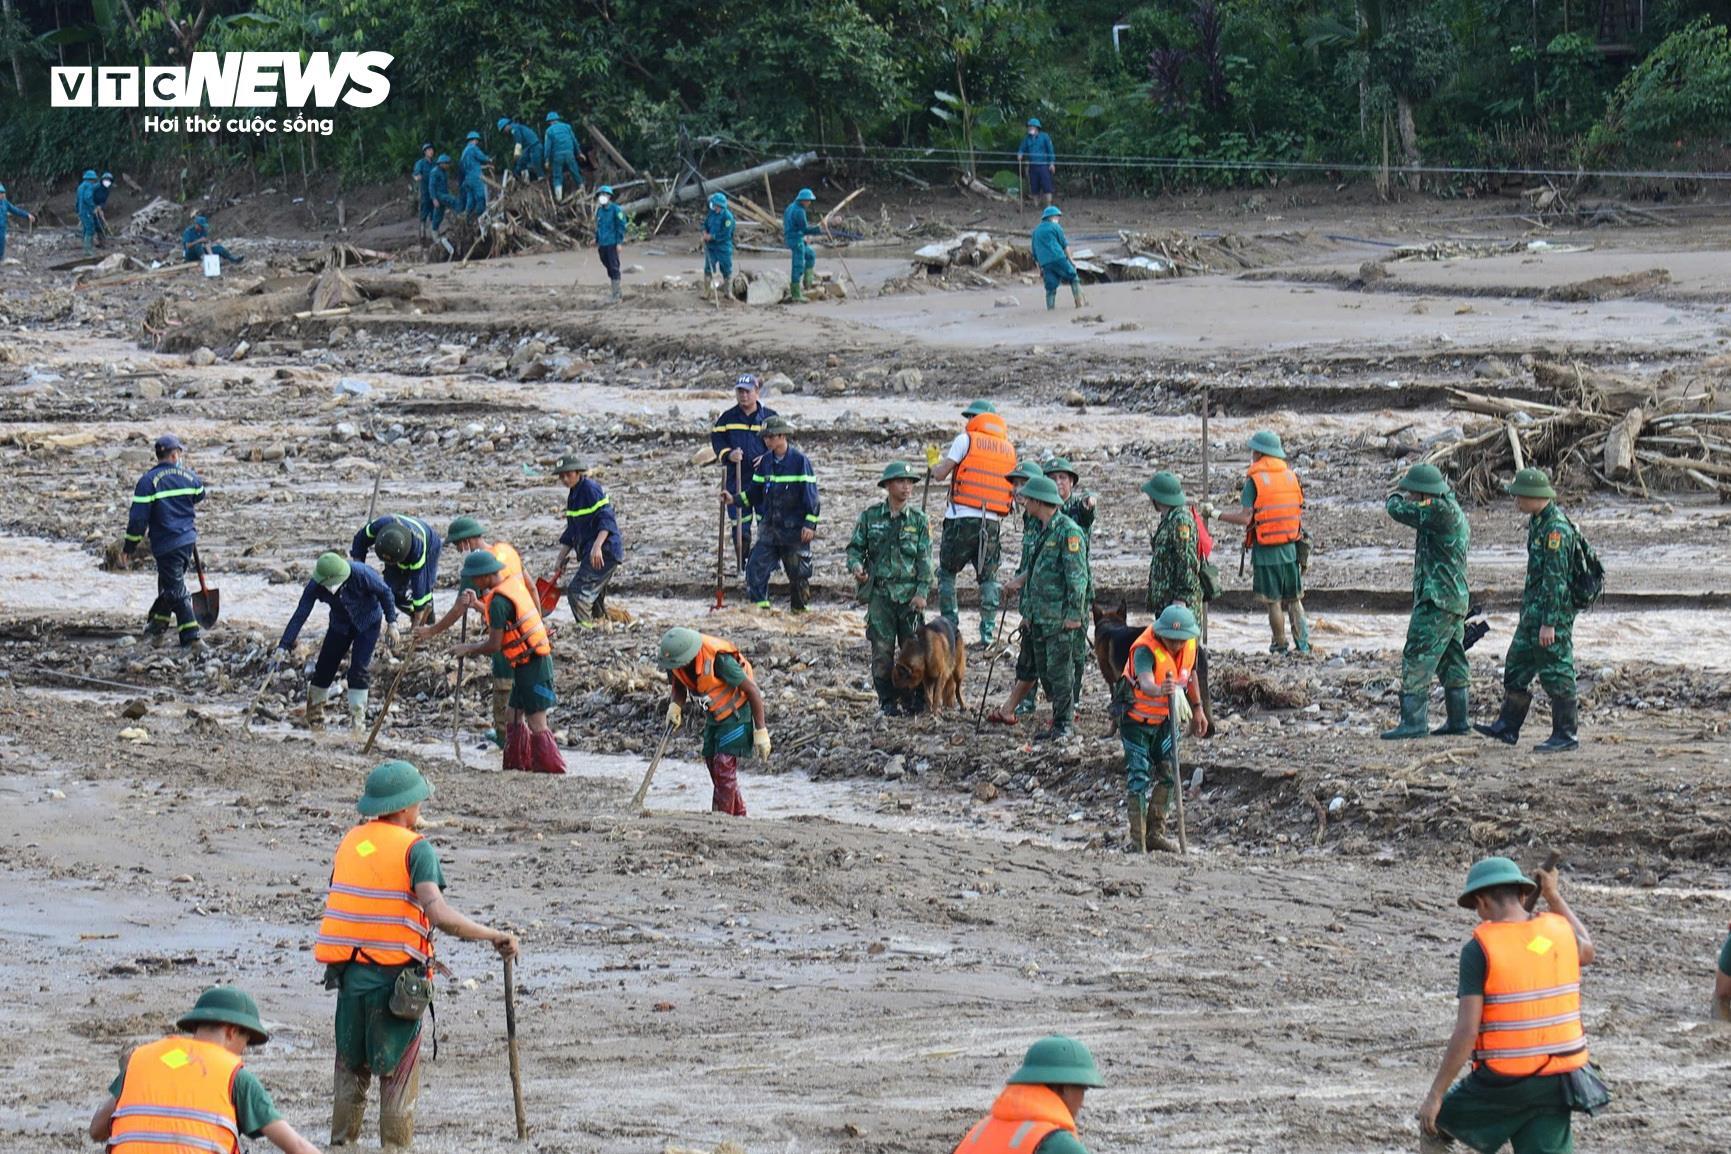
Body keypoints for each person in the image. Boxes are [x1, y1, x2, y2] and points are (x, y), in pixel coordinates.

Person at [316, 761, 520, 1150]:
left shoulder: (351, 841)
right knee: (396, 1080)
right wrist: (494, 935)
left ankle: (340, 1145)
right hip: (396, 989)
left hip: (349, 980)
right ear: (407, 807)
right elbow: (439, 914)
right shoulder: (416, 849)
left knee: (350, 1073)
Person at [1417, 857, 1605, 1154]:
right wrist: (1555, 896)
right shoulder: (1559, 933)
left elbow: (1467, 1031)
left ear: (1481, 902)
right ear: (1522, 894)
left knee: (1434, 1123)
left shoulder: (1479, 950)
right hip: (1561, 1078)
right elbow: (1588, 949)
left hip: (1505, 1082)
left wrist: (1435, 1095)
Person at [88, 986, 322, 1154]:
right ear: (231, 1031)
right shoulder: (235, 1076)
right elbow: (298, 1147)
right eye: (246, 1041)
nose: (244, 1051)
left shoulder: (144, 1059)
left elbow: (97, 1130)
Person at [1475, 468, 1583, 753]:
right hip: (1533, 612)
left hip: (1552, 614)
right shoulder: (1538, 521)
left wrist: (1550, 623)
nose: (1516, 502)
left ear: (1536, 497)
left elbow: (1556, 581)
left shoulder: (1556, 529)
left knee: (1557, 671)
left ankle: (1566, 734)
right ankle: (1508, 727)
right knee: (1516, 665)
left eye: (1520, 496)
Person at [414, 516, 523, 753]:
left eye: (457, 545)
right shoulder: (506, 552)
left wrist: (431, 631)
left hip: (506, 637)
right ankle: (518, 738)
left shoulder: (475, 569)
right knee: (522, 688)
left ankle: (508, 743)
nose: (458, 550)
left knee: (504, 688)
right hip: (527, 629)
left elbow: (458, 608)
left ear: (465, 543)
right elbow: (531, 588)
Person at [449, 550, 564, 773]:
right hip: (525, 664)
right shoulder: (511, 587)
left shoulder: (499, 601)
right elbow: (506, 621)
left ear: (484, 577)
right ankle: (516, 765)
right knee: (512, 715)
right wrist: (476, 605)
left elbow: (494, 644)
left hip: (534, 666)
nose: (474, 582)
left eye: (475, 578)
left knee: (537, 722)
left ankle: (550, 771)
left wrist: (468, 648)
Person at [1382, 463, 1472, 740]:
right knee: (1451, 658)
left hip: (1437, 600)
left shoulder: (1439, 511)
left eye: (1414, 494)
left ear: (1424, 494)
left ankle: (1414, 722)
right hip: (1453, 599)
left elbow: (1396, 509)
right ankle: (1458, 721)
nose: (1411, 498)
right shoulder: (1448, 508)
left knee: (1416, 655)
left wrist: (1395, 493)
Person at [1002, 475, 1087, 741]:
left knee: (1061, 674)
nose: (1024, 502)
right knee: (1048, 674)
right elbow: (1040, 567)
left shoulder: (1068, 531)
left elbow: (1077, 577)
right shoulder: (1044, 528)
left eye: (1028, 498)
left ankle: (1063, 725)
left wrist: (1074, 615)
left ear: (1039, 501)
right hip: (1041, 616)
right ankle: (1058, 720)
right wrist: (1021, 584)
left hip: (1060, 618)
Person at [846, 461, 934, 714]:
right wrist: (856, 567)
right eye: (901, 482)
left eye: (910, 483)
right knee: (881, 652)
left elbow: (924, 559)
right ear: (887, 486)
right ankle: (887, 701)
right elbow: (855, 549)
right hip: (881, 596)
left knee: (914, 653)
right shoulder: (870, 517)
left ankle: (915, 700)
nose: (907, 487)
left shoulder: (919, 521)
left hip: (909, 598)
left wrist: (921, 593)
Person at [1119, 604, 1207, 852]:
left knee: (1170, 773)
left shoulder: (1189, 646)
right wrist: (1161, 690)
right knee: (1138, 777)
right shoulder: (1145, 650)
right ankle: (1138, 842)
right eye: (1172, 640)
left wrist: (1198, 709)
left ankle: (1155, 833)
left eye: (1181, 640)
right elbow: (1146, 681)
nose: (1177, 645)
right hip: (1136, 723)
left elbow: (1189, 675)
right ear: (1161, 633)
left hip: (1165, 723)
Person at [278, 551, 397, 733]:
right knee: (325, 666)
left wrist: (392, 622)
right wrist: (283, 645)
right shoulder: (315, 585)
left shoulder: (361, 574)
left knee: (358, 669)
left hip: (368, 622)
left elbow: (385, 592)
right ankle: (315, 718)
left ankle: (358, 723)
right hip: (340, 624)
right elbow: (301, 613)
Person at [656, 627, 770, 816]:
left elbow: (753, 691)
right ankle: (739, 816)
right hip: (714, 716)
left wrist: (761, 732)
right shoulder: (676, 662)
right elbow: (678, 685)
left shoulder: (719, 661)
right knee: (712, 763)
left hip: (736, 714)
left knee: (723, 766)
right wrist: (675, 706)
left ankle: (721, 818)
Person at [929, 399, 1015, 647]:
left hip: (960, 519)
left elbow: (940, 474)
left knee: (947, 573)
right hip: (991, 522)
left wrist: (932, 458)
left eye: (970, 418)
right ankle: (987, 635)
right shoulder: (1007, 447)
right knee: (988, 578)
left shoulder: (965, 439)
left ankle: (950, 630)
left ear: (977, 419)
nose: (967, 422)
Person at [1219, 430, 1309, 654]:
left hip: (1267, 550)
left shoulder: (1255, 481)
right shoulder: (1290, 476)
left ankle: (1279, 644)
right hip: (1291, 548)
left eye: (1253, 450)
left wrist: (1215, 514)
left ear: (1259, 452)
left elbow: (1245, 518)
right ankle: (1303, 645)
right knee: (1295, 599)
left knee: (1274, 602)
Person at [121, 433, 208, 654]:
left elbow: (138, 520)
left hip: (166, 543)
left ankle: (192, 637)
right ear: (175, 454)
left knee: (176, 589)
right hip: (187, 541)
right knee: (169, 583)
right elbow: (200, 494)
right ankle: (158, 624)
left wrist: (129, 547)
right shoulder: (188, 477)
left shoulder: (148, 482)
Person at [1141, 470, 1214, 733]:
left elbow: (1186, 564)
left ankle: (1199, 717)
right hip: (1169, 604)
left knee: (1188, 661)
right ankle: (1175, 715)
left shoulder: (1180, 521)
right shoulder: (1169, 518)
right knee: (1171, 660)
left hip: (1179, 606)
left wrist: (1180, 601)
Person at [952, 1035, 1104, 1154]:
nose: (1082, 1103)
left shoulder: (981, 1130)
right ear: (1064, 1088)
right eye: (1083, 1089)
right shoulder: (1057, 1144)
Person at [984, 460, 1047, 725]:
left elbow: (1044, 566)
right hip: (1031, 596)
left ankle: (1063, 714)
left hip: (1047, 599)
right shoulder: (1029, 518)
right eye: (1016, 486)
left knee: (1047, 658)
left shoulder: (1049, 520)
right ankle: (1021, 705)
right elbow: (1030, 562)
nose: (1018, 491)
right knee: (1031, 654)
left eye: (1023, 485)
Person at [741, 416, 821, 611]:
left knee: (798, 573)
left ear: (782, 436)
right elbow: (754, 492)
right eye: (765, 437)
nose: (767, 441)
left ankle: (800, 612)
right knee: (755, 568)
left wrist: (810, 524)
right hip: (770, 528)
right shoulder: (765, 462)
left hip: (794, 530)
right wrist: (734, 499)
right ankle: (760, 610)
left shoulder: (800, 461)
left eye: (770, 436)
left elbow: (811, 496)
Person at [710, 372, 778, 573]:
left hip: (764, 480)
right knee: (741, 527)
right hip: (737, 479)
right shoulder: (727, 418)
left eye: (748, 392)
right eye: (740, 391)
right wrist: (728, 454)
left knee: (767, 525)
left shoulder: (769, 417)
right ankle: (743, 565)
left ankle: (769, 565)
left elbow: (781, 443)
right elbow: (717, 440)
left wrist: (768, 456)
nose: (744, 396)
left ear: (757, 392)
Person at [549, 456, 622, 626]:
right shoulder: (574, 496)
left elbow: (607, 517)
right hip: (592, 552)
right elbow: (572, 530)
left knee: (578, 592)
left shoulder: (590, 489)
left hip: (605, 551)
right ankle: (602, 626)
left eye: (568, 475)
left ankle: (586, 629)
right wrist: (560, 558)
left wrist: (597, 546)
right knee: (594, 598)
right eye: (562, 477)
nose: (565, 480)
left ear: (577, 472)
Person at [1044, 456, 1095, 694]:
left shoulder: (1076, 508)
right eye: (1052, 479)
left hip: (1076, 589)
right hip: (1050, 590)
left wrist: (1089, 506)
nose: (1058, 483)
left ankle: (1073, 696)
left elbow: (1087, 512)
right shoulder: (1041, 509)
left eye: (1062, 478)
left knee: (1075, 649)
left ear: (1072, 482)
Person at [351, 514, 442, 621]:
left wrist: (418, 619)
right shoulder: (379, 526)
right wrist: (359, 572)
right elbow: (359, 541)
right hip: (395, 547)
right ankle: (412, 612)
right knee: (392, 592)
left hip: (430, 545)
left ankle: (427, 620)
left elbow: (419, 585)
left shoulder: (417, 549)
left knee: (424, 595)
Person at [1031, 205, 1083, 311]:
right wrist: (1071, 260)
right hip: (1058, 258)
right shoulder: (1056, 227)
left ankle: (1051, 309)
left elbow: (1034, 251)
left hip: (1045, 263)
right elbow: (1064, 245)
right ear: (1052, 217)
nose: (1058, 220)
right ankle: (1080, 304)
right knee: (1073, 277)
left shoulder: (1035, 231)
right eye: (1058, 217)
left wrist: (1039, 267)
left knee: (1050, 286)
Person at [783, 187, 821, 302]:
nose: (809, 203)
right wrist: (818, 229)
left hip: (792, 236)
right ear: (803, 200)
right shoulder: (799, 211)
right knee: (798, 265)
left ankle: (807, 282)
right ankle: (796, 294)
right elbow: (804, 229)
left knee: (810, 255)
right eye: (808, 200)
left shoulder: (790, 207)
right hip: (795, 240)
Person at [594, 185, 628, 303]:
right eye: (600, 195)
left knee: (614, 267)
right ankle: (616, 291)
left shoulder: (616, 210)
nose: (602, 197)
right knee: (607, 265)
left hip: (612, 243)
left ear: (609, 196)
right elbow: (598, 227)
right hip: (602, 244)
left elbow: (621, 226)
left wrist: (619, 242)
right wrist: (596, 239)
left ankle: (617, 294)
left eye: (604, 194)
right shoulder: (599, 211)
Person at [1017, 117, 1057, 208]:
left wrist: (1051, 163)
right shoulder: (1027, 139)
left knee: (1047, 186)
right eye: (1029, 126)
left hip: (1043, 165)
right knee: (1034, 186)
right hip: (1032, 166)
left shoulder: (1045, 137)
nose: (1029, 128)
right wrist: (1020, 154)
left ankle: (1049, 205)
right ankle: (1036, 205)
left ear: (1037, 128)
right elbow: (1021, 148)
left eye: (1031, 126)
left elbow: (1050, 150)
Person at [543, 111, 584, 201]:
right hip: (569, 153)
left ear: (549, 121)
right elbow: (574, 140)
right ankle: (582, 189)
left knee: (557, 175)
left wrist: (546, 159)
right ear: (557, 119)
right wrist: (579, 153)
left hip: (557, 156)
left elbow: (547, 147)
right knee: (574, 170)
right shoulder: (567, 127)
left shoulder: (549, 131)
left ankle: (559, 198)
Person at [703, 191, 736, 295]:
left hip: (723, 247)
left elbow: (726, 234)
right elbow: (705, 224)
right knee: (708, 269)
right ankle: (707, 292)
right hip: (711, 247)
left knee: (726, 269)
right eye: (715, 205)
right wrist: (704, 232)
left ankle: (728, 292)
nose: (715, 208)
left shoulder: (728, 217)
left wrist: (711, 237)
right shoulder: (711, 214)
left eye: (718, 206)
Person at [497, 116, 543, 181]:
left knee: (536, 164)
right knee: (522, 162)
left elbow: (518, 141)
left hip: (534, 145)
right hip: (528, 146)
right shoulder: (516, 128)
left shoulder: (514, 129)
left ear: (506, 126)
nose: (504, 132)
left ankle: (540, 178)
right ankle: (525, 179)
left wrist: (516, 154)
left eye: (503, 129)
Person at [458, 130, 491, 218]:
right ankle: (480, 217)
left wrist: (486, 166)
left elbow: (472, 165)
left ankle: (466, 218)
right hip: (476, 178)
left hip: (467, 179)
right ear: (474, 140)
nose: (477, 142)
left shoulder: (464, 152)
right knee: (482, 197)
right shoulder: (473, 148)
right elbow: (482, 157)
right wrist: (489, 159)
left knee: (470, 200)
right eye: (477, 140)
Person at [0, 182, 34, 262]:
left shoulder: (5, 203)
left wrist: (27, 215)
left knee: (1, 244)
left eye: (2, 193)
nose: (1, 195)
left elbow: (16, 210)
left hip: (2, 228)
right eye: (0, 193)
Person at [426, 155, 459, 231]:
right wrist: (434, 199)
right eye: (447, 163)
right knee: (453, 201)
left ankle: (435, 230)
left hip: (444, 193)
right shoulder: (434, 172)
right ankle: (460, 215)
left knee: (439, 214)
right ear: (441, 163)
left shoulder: (444, 172)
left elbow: (446, 185)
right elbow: (431, 186)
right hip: (439, 195)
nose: (448, 165)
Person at [411, 142, 437, 238]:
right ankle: (422, 232)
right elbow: (416, 173)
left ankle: (432, 233)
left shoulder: (434, 164)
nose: (431, 152)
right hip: (424, 191)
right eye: (429, 150)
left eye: (432, 150)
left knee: (433, 212)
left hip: (433, 192)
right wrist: (417, 176)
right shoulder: (421, 163)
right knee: (424, 211)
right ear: (425, 152)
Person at [75, 169, 99, 254]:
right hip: (87, 211)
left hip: (81, 211)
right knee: (90, 229)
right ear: (92, 179)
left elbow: (77, 201)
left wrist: (77, 211)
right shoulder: (89, 186)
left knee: (85, 229)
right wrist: (93, 207)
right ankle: (88, 250)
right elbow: (87, 198)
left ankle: (86, 248)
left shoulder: (80, 186)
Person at [92, 171, 114, 247]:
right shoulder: (96, 187)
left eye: (109, 180)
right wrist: (93, 206)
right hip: (90, 206)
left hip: (98, 207)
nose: (107, 182)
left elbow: (103, 201)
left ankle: (102, 241)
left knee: (100, 224)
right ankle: (91, 241)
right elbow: (89, 197)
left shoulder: (107, 191)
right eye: (106, 180)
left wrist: (100, 207)